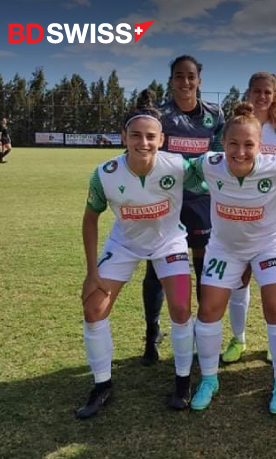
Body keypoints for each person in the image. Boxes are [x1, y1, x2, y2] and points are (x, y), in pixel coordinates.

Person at [76, 91, 203, 419]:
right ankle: (102, 384)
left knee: (180, 307)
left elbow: (216, 179)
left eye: (150, 136)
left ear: (161, 139)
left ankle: (183, 380)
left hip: (169, 243)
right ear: (124, 137)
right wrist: (92, 273)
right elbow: (90, 219)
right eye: (135, 135)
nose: (143, 143)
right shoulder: (104, 173)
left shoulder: (179, 166)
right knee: (93, 308)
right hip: (124, 244)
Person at [188, 103, 276, 415]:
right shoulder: (210, 163)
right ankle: (209, 379)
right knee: (209, 309)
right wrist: (208, 189)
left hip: (269, 245)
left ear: (260, 145)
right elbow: (188, 175)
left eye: (248, 145)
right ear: (223, 143)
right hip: (225, 247)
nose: (240, 152)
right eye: (233, 144)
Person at [138, 55, 247, 367]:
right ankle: (152, 333)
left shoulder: (215, 114)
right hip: (166, 202)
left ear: (199, 80)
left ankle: (202, 332)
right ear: (171, 80)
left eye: (190, 76)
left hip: (200, 201)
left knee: (202, 268)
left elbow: (219, 155)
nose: (185, 82)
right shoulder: (159, 115)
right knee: (156, 269)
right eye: (179, 76)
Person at [220, 72, 276, 364]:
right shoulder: (237, 124)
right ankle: (238, 339)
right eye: (257, 91)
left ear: (275, 95)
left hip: (273, 218)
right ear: (248, 92)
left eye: (268, 92)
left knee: (273, 285)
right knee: (239, 280)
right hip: (239, 215)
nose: (262, 97)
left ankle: (273, 341)